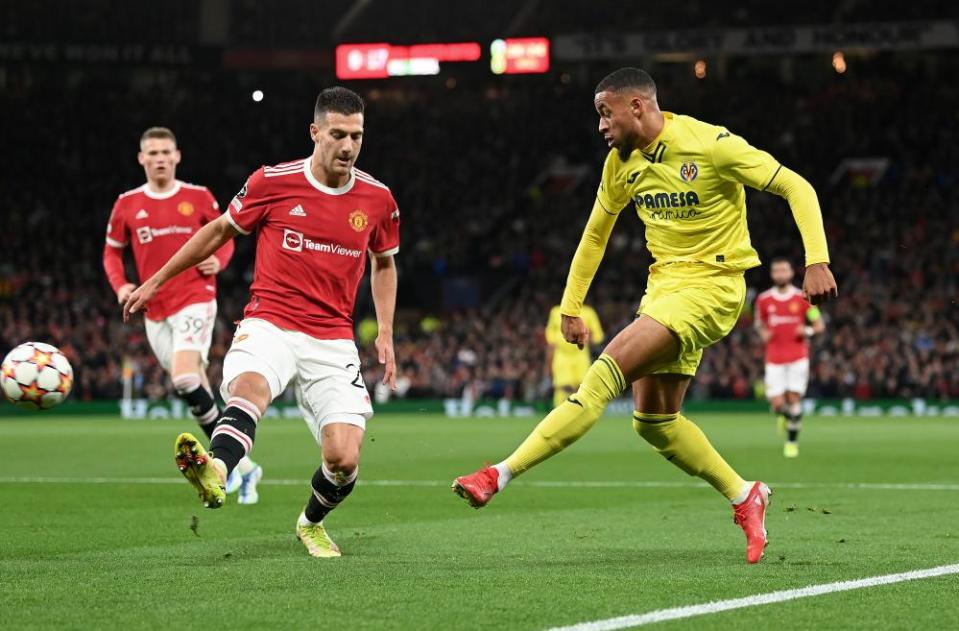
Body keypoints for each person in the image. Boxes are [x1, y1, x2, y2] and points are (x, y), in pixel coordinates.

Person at [452, 68, 837, 564]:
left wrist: (817, 259)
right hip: (664, 290)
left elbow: (796, 187)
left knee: (598, 381)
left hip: (714, 286)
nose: (600, 126)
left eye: (605, 113)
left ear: (637, 106)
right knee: (654, 421)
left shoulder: (711, 144)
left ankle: (497, 474)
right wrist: (571, 305)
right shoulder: (620, 165)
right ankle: (746, 495)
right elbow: (595, 236)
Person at [123, 87, 400, 558]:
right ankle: (219, 470)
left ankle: (311, 523)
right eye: (338, 134)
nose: (348, 146)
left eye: (356, 135)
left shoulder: (377, 198)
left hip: (332, 337)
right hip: (270, 321)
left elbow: (385, 264)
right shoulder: (272, 182)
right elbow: (214, 232)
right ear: (315, 132)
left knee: (343, 460)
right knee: (248, 388)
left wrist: (387, 335)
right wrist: (154, 280)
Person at [103, 127, 262, 504]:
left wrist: (219, 261)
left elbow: (227, 232)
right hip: (153, 308)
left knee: (184, 376)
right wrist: (122, 286)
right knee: (195, 388)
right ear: (141, 158)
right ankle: (242, 467)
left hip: (195, 296)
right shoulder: (127, 204)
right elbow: (111, 252)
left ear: (177, 156)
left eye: (165, 152)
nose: (159, 158)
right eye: (152, 153)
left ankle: (227, 466)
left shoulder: (198, 197)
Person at [755, 257, 825, 458]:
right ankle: (787, 417)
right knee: (777, 404)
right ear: (772, 274)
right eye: (777, 271)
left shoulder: (803, 298)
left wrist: (808, 331)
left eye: (784, 270)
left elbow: (819, 326)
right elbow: (759, 324)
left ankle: (792, 442)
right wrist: (763, 334)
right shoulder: (764, 300)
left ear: (791, 273)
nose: (780, 274)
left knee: (793, 398)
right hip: (774, 358)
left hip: (797, 357)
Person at [545, 304, 604, 408]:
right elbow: (549, 331)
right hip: (561, 354)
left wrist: (587, 339)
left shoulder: (589, 312)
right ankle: (559, 414)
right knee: (563, 386)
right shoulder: (556, 311)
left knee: (581, 386)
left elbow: (598, 335)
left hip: (581, 354)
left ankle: (579, 413)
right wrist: (553, 342)